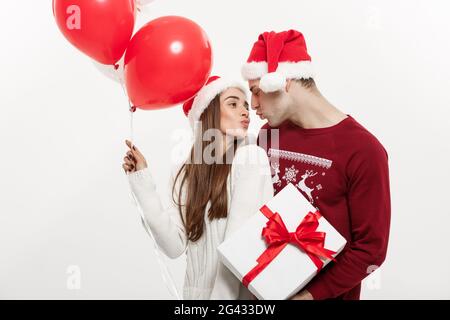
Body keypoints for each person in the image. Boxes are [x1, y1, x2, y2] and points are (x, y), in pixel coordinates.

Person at [241, 30, 391, 300]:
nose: (252, 105)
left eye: (256, 92)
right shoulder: (266, 136)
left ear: (283, 82)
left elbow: (371, 250)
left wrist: (310, 296)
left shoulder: (364, 150)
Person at [122, 76, 274, 299]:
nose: (245, 111)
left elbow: (239, 248)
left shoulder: (252, 159)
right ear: (208, 113)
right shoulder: (184, 172)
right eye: (233, 104)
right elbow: (173, 246)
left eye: (244, 105)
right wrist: (141, 181)